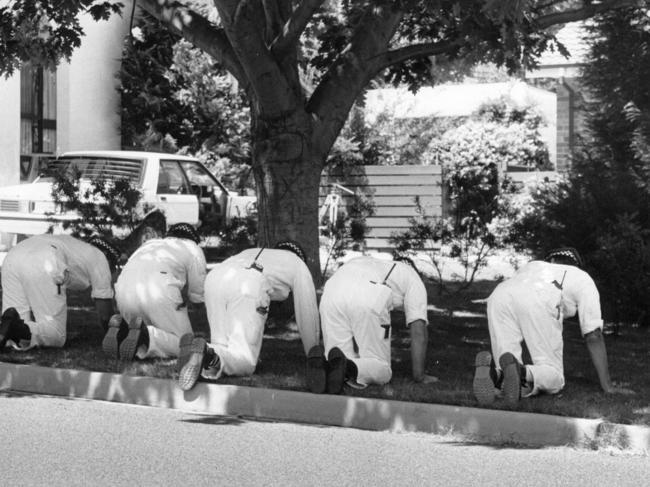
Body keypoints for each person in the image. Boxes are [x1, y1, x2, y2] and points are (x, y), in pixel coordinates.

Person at [473, 247, 635, 408]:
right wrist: (608, 386)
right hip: (542, 296)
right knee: (555, 376)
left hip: (500, 293)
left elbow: (517, 298)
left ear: (551, 260)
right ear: (576, 265)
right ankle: (521, 372)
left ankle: (497, 377)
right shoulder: (582, 278)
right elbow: (593, 335)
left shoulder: (532, 267)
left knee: (508, 361)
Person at [177, 241, 323, 393]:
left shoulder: (252, 251)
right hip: (249, 284)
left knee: (223, 346)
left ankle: (199, 355)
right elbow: (307, 309)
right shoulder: (298, 263)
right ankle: (207, 353)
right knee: (245, 361)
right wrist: (313, 354)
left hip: (215, 279)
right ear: (299, 255)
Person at [319, 256, 436, 394]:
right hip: (369, 293)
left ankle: (325, 368)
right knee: (382, 368)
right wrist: (419, 376)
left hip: (332, 290)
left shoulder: (373, 262)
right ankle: (346, 367)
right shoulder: (414, 278)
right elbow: (418, 330)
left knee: (338, 356)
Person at [102, 223, 207, 361]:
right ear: (193, 238)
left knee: (142, 326)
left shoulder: (149, 245)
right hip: (159, 290)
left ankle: (124, 333)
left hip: (123, 292)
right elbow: (197, 295)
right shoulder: (193, 248)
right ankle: (144, 336)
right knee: (186, 344)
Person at [0, 234, 120, 350]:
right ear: (107, 255)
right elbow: (105, 315)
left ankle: (10, 329)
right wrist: (115, 335)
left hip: (14, 255)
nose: (111, 272)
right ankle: (16, 328)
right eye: (113, 266)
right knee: (55, 334)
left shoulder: (74, 246)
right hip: (44, 258)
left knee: (13, 327)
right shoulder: (100, 257)